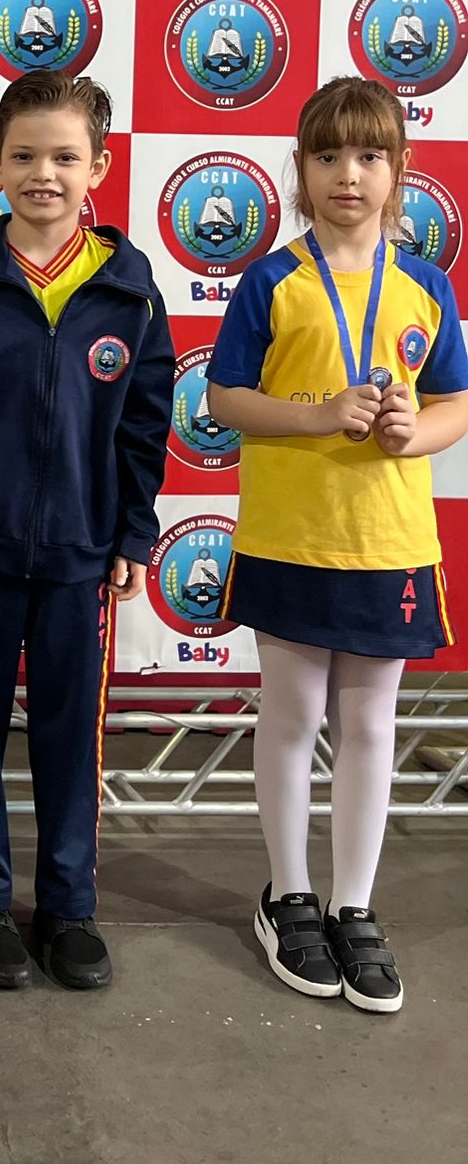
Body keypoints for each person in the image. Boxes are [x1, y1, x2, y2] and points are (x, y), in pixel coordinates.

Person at [0, 71, 172, 992]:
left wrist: (133, 533)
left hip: (82, 549)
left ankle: (68, 904)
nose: (42, 174)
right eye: (23, 156)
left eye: (63, 157)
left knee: (70, 731)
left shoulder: (130, 290)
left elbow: (145, 423)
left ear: (100, 167)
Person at [207, 76, 468, 1014]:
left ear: (399, 170)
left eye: (368, 156)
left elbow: (454, 404)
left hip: (388, 543)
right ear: (300, 169)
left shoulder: (425, 285)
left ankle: (354, 905)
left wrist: (412, 433)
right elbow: (224, 399)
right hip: (291, 538)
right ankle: (288, 896)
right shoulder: (271, 281)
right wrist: (317, 415)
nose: (347, 174)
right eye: (327, 156)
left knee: (370, 727)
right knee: (289, 719)